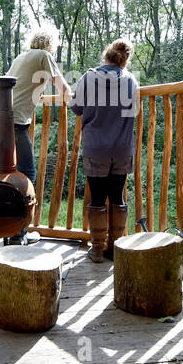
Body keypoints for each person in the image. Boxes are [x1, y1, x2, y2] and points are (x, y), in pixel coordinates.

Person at [71, 39, 138, 262]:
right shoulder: (131, 80)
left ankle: (97, 249)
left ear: (106, 55)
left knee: (97, 197)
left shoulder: (88, 78)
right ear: (125, 60)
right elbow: (134, 111)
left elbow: (76, 108)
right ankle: (115, 247)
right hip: (122, 148)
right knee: (117, 196)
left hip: (96, 147)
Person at [0, 28, 70, 185]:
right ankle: (25, 209)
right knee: (27, 172)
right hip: (13, 122)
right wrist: (71, 97)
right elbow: (65, 90)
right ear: (49, 45)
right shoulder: (44, 56)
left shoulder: (21, 57)